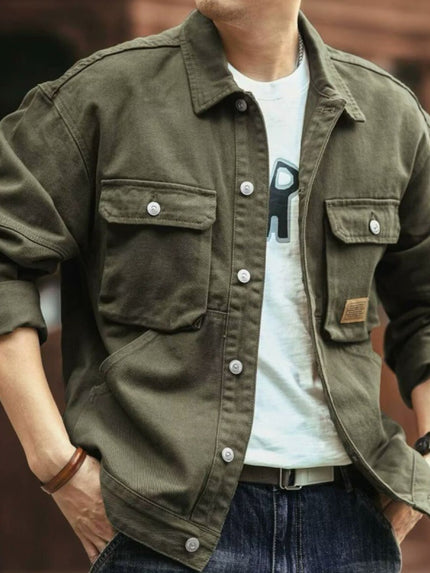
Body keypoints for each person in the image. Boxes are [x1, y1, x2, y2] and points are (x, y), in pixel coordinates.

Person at [0, 0, 430, 571]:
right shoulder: (105, 95)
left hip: (349, 529)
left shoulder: (389, 116)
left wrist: (425, 471)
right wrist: (57, 467)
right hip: (162, 531)